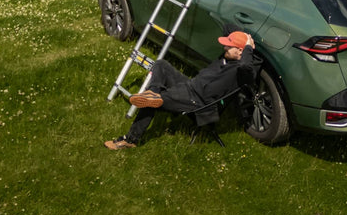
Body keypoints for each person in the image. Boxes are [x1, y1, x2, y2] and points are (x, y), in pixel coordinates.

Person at [104, 30, 257, 150]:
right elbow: (228, 27)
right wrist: (247, 38)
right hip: (191, 85)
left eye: (228, 46)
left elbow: (246, 65)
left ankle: (130, 140)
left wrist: (248, 47)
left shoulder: (243, 72)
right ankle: (154, 91)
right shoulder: (228, 57)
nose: (224, 47)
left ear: (240, 51)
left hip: (198, 102)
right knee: (161, 65)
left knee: (152, 102)